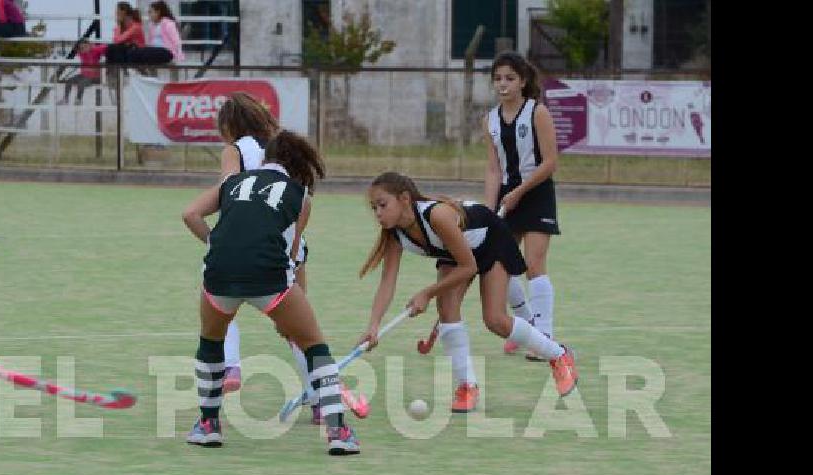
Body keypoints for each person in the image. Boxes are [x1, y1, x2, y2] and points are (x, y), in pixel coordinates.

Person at [181, 131, 362, 455]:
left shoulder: (231, 183)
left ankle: (208, 425)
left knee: (210, 341)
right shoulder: (300, 197)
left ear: (266, 159)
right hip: (269, 277)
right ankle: (339, 431)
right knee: (314, 345)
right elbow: (291, 254)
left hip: (219, 273)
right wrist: (286, 315)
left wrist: (217, 245)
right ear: (299, 166)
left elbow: (190, 214)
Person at [356, 172, 579, 412]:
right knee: (447, 311)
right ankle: (467, 386)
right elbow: (387, 282)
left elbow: (469, 266)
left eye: (382, 205)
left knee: (495, 321)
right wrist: (373, 325)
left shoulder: (437, 216)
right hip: (455, 253)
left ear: (404, 199)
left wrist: (428, 293)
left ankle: (558, 355)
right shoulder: (395, 234)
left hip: (491, 240)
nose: (378, 213)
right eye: (373, 208)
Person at [212, 93, 364, 425]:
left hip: (245, 245)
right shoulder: (280, 148)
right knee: (299, 330)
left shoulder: (234, 150)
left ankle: (230, 365)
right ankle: (320, 401)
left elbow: (226, 194)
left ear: (229, 126)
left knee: (219, 304)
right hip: (291, 245)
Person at [482, 52, 562, 361]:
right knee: (501, 267)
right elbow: (493, 169)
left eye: (510, 78)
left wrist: (519, 191)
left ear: (523, 81)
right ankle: (526, 324)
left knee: (533, 265)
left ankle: (545, 338)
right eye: (498, 78)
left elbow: (551, 161)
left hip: (537, 192)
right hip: (506, 197)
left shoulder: (537, 112)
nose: (503, 84)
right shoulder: (488, 119)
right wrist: (488, 212)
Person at [58, 40, 107, 105]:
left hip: (95, 77)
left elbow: (105, 48)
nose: (84, 49)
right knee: (69, 81)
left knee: (81, 83)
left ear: (90, 45)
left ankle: (78, 100)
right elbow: (75, 50)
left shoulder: (95, 50)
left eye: (85, 46)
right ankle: (65, 99)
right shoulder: (81, 53)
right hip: (84, 75)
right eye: (82, 48)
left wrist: (95, 48)